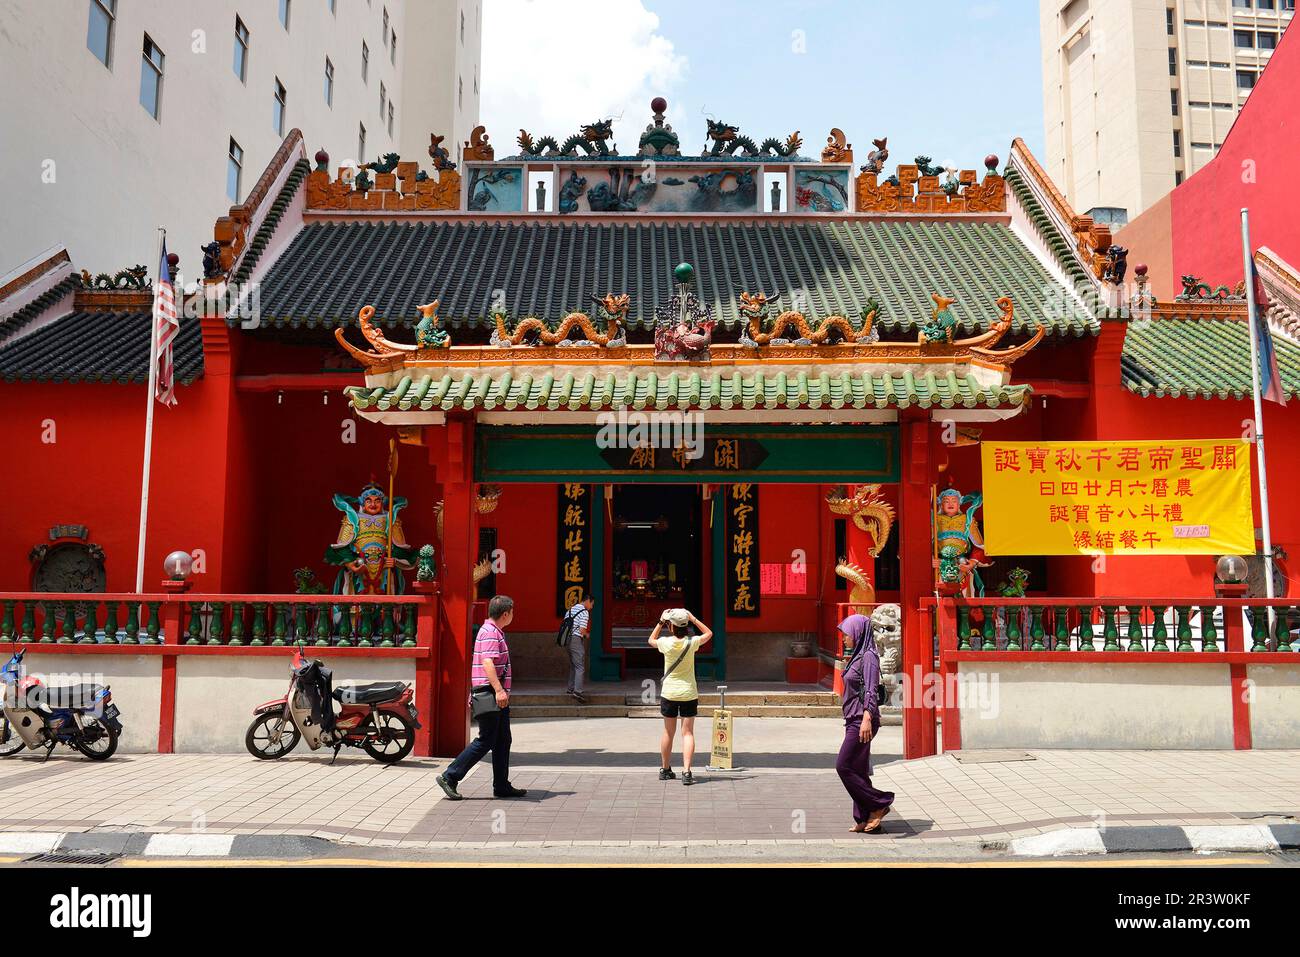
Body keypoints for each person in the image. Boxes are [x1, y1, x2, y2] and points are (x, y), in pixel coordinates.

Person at [436, 595, 527, 801]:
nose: (513, 615)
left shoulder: (494, 631)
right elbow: (488, 663)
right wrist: (499, 690)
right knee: (486, 740)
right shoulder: (490, 633)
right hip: (490, 694)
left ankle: (502, 784)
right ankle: (449, 776)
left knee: (503, 740)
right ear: (505, 614)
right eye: (512, 612)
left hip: (494, 694)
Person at [835, 613, 894, 833]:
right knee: (858, 770)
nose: (844, 638)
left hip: (862, 719)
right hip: (854, 717)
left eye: (847, 633)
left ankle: (879, 803)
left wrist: (867, 717)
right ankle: (865, 817)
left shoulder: (868, 656)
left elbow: (870, 688)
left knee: (843, 766)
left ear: (858, 632)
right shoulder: (858, 655)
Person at [648, 608, 712, 786]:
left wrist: (661, 621)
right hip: (688, 693)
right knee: (688, 733)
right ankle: (687, 772)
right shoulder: (693, 642)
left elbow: (650, 640)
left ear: (671, 627)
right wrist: (694, 618)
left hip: (669, 692)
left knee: (668, 732)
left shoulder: (666, 643)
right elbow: (709, 633)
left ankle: (665, 769)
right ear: (686, 625)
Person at [563, 594, 594, 702]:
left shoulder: (571, 609)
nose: (591, 607)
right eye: (592, 604)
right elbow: (582, 630)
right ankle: (577, 692)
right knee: (580, 666)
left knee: (573, 665)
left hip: (567, 639)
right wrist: (587, 635)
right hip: (576, 639)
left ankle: (570, 688)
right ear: (588, 601)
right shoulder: (584, 612)